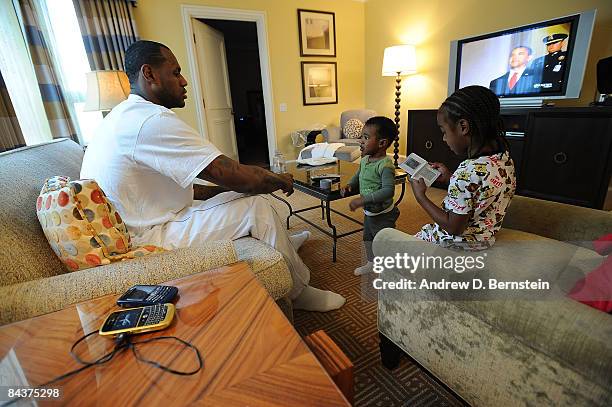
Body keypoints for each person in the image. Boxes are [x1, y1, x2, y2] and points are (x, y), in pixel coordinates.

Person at [80, 40, 345, 312]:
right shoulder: (150, 121)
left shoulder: (122, 117)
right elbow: (230, 174)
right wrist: (276, 179)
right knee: (256, 206)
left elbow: (191, 189)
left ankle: (284, 244)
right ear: (149, 74)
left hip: (144, 221)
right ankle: (298, 292)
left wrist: (238, 189)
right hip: (149, 238)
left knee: (241, 195)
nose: (184, 81)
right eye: (175, 72)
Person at [410, 85, 516, 250]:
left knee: (393, 247)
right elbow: (480, 188)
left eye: (444, 131)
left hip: (455, 245)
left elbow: (453, 227)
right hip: (483, 240)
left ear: (463, 127)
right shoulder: (503, 159)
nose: (444, 139)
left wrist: (420, 197)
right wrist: (451, 178)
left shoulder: (467, 171)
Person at [340, 116, 399, 274]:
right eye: (361, 137)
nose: (361, 141)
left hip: (383, 214)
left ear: (382, 143)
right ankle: (372, 263)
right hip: (370, 212)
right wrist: (350, 186)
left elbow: (388, 191)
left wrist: (363, 200)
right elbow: (358, 176)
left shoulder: (385, 165)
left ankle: (390, 271)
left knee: (384, 243)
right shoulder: (365, 160)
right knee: (368, 239)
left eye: (365, 138)